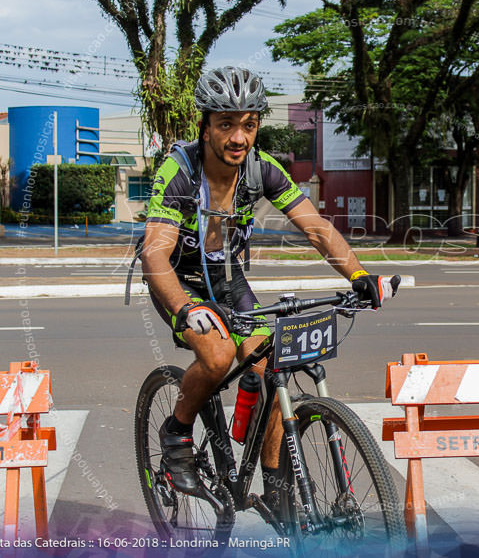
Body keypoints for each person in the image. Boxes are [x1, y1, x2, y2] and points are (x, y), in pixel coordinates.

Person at [140, 66, 395, 500]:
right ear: (204, 127)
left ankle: (276, 488)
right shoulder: (178, 172)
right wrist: (186, 308)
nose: (238, 137)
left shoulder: (262, 169)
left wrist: (358, 274)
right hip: (181, 280)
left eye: (249, 125)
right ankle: (177, 431)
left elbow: (315, 226)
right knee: (218, 355)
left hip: (229, 277)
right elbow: (154, 254)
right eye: (226, 124)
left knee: (272, 363)